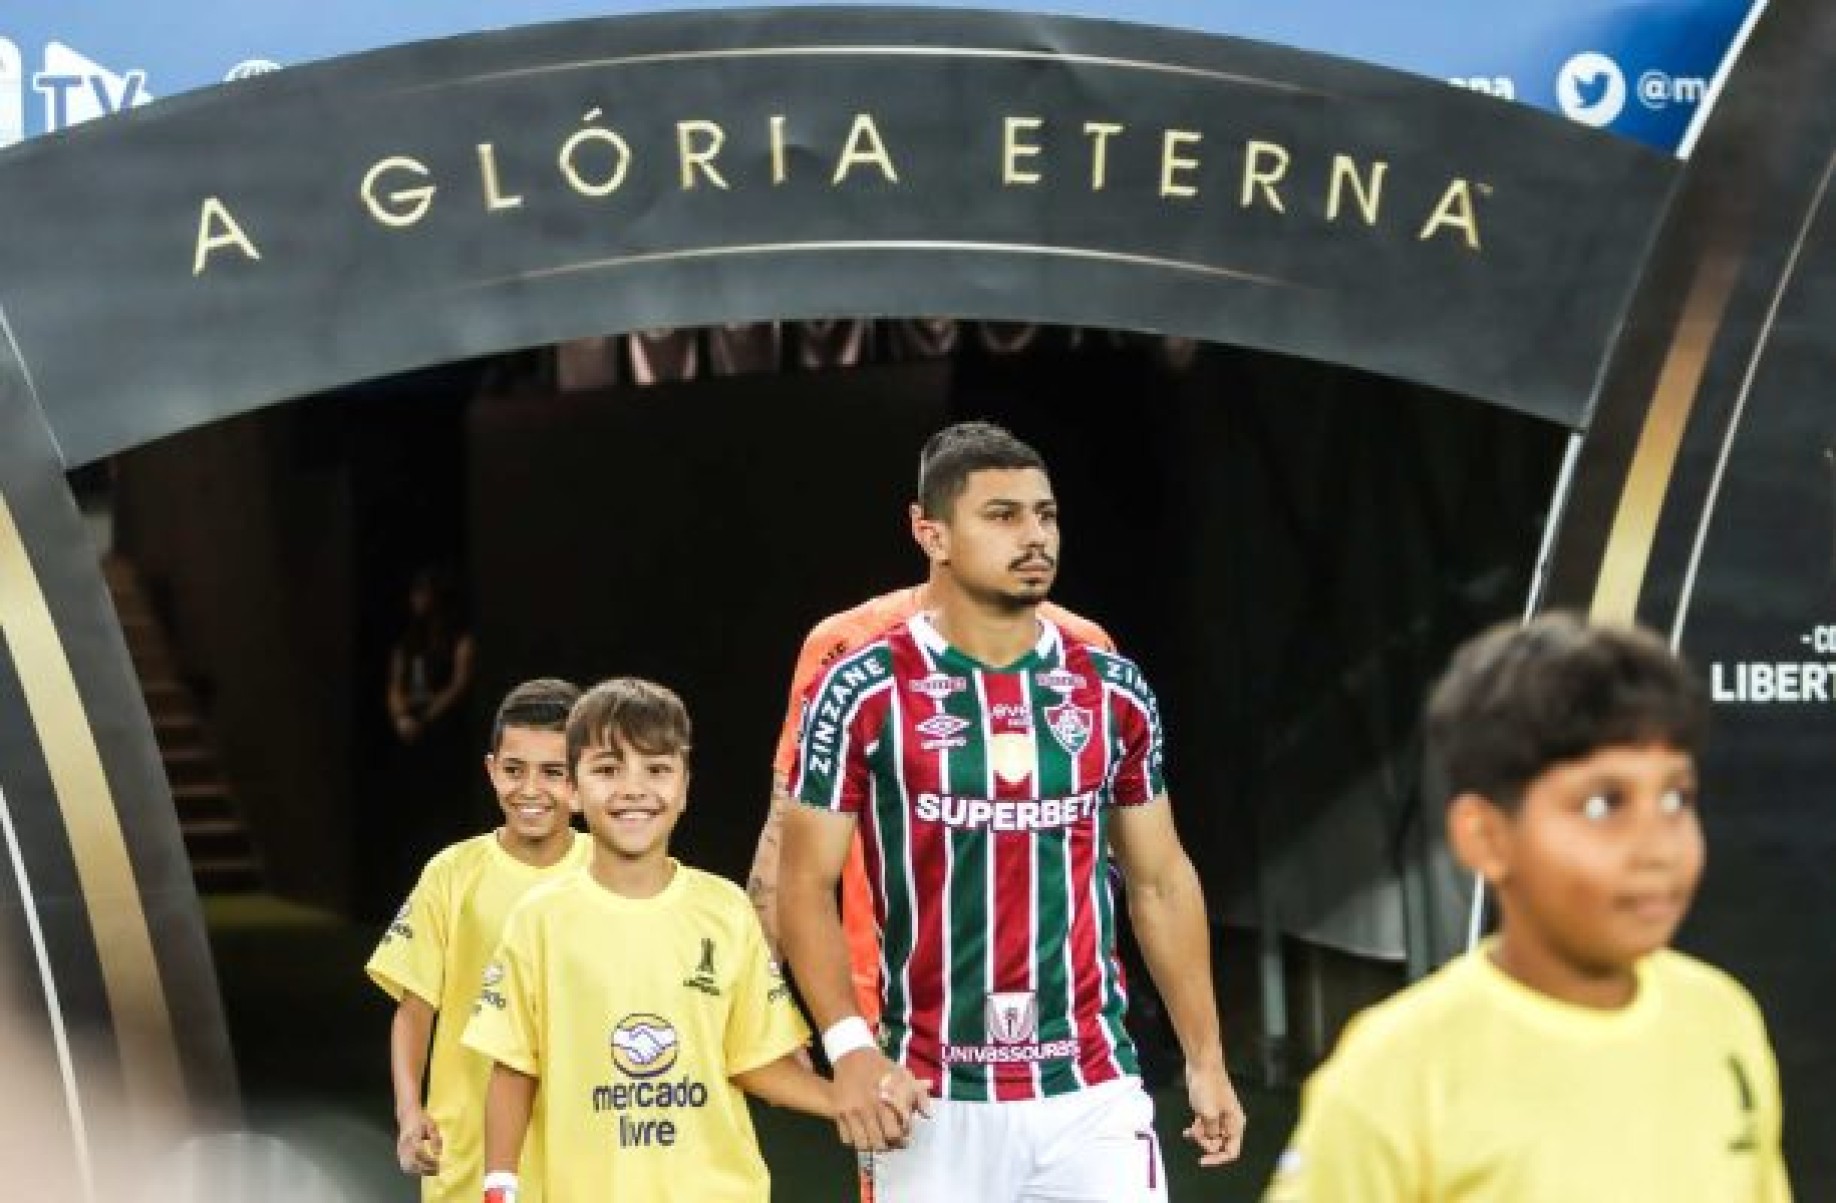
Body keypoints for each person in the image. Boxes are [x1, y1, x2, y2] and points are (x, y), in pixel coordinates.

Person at [780, 422, 1246, 1202]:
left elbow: (1160, 880)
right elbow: (804, 886)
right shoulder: (861, 687)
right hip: (930, 1097)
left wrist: (1206, 1056)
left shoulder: (1111, 687)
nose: (1034, 536)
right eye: (1002, 516)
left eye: (1046, 514)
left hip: (1091, 1087)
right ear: (931, 533)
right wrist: (850, 1045)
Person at [1263, 614, 1792, 1202]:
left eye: (1675, 798)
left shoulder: (1722, 1018)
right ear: (1485, 838)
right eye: (1603, 805)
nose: (1659, 847)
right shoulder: (1396, 1075)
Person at [464, 678, 916, 1203]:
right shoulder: (539, 919)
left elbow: (751, 1058)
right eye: (608, 770)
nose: (634, 789)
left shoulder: (724, 911)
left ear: (683, 787)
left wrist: (844, 1099)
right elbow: (514, 1066)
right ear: (573, 789)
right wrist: (500, 1186)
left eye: (657, 769)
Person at [366, 678, 591, 1203]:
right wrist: (409, 1113)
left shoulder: (610, 876)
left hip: (583, 1159)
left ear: (582, 782)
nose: (530, 789)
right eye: (514, 770)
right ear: (491, 771)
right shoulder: (450, 874)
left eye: (553, 772)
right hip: (466, 1157)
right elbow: (414, 1010)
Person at [378, 564, 480, 910]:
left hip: (443, 738)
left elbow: (459, 683)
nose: (418, 601)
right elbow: (395, 685)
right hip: (412, 736)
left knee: (445, 813)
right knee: (411, 812)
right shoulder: (409, 642)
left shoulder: (457, 638)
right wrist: (401, 717)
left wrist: (428, 717)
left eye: (424, 593)